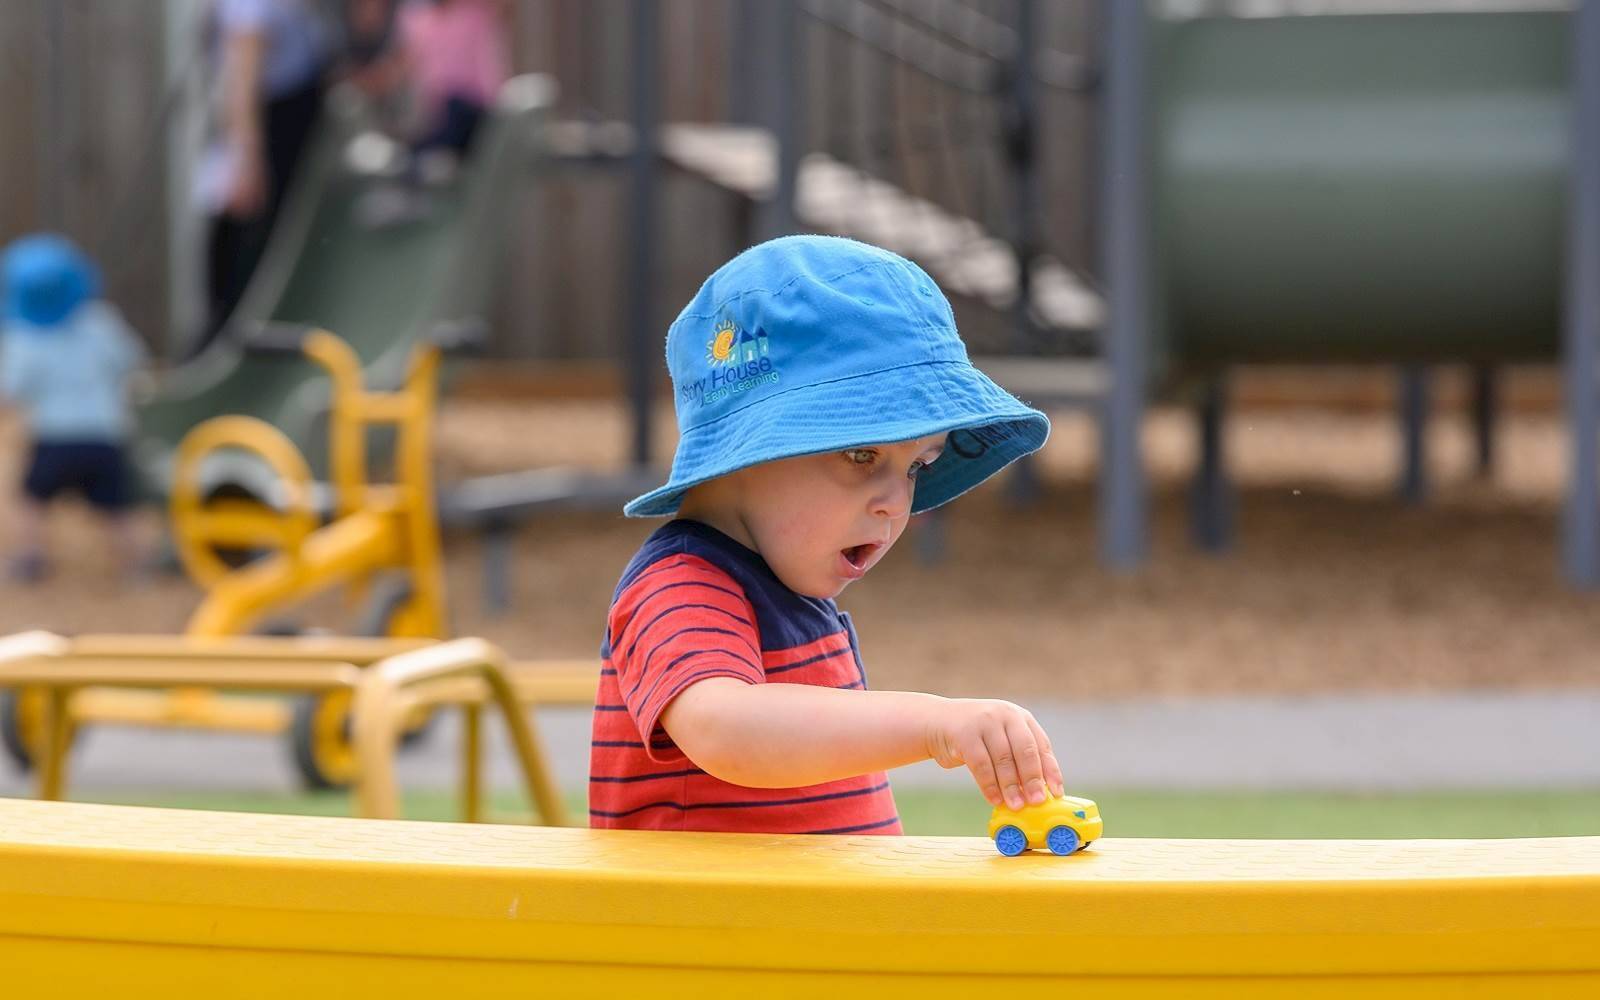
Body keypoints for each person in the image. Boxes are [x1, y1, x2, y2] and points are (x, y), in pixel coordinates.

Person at [590, 235, 1063, 835]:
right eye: (862, 454)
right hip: (707, 930)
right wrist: (932, 723)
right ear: (748, 448)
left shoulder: (787, 589)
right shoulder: (682, 584)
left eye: (918, 465)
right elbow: (724, 729)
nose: (898, 503)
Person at [0, 235, 148, 583]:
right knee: (116, 507)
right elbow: (132, 361)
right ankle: (136, 566)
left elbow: (10, 390)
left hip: (55, 436)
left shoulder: (24, 336)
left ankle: (30, 558)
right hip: (105, 433)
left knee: (31, 498)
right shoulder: (101, 321)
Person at [195, 0, 332, 356]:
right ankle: (227, 353)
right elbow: (241, 82)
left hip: (287, 134)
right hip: (268, 138)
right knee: (250, 262)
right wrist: (246, 159)